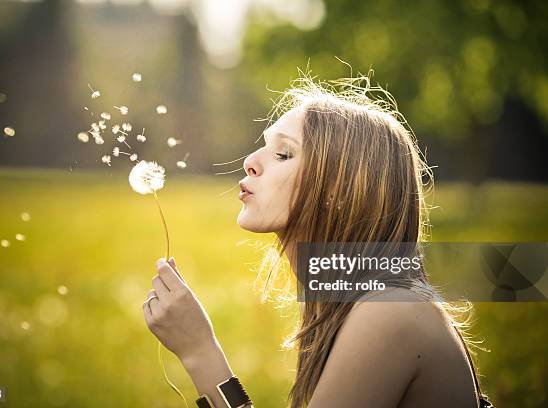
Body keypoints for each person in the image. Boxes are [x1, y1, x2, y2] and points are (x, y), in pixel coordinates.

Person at [142, 75, 493, 407]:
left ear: (339, 190)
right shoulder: (361, 304)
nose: (250, 163)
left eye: (283, 154)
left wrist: (201, 353)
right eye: (264, 148)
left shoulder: (390, 313)